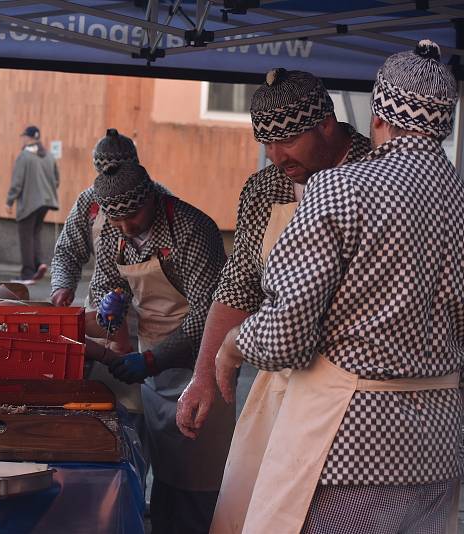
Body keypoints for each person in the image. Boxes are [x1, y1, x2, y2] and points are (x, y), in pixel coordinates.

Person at [212, 40, 462, 533]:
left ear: (379, 119)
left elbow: (286, 335)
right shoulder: (457, 197)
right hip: (440, 442)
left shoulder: (342, 187)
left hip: (352, 444)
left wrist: (233, 343)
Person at [173, 69, 370, 532]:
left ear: (326, 123)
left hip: (355, 395)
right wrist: (203, 376)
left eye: (288, 140)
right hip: (279, 386)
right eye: (267, 142)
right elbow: (238, 288)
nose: (276, 156)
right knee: (253, 515)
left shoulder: (372, 172)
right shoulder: (264, 191)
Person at [87, 161, 233, 533]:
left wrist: (153, 359)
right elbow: (106, 280)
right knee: (166, 473)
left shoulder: (192, 228)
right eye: (116, 220)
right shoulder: (113, 232)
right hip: (152, 367)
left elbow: (207, 315)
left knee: (198, 479)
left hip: (203, 366)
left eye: (132, 216)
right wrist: (111, 301)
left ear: (151, 197)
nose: (125, 227)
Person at [50, 128, 169, 307]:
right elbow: (68, 251)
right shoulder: (88, 202)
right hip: (105, 303)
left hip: (158, 309)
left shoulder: (160, 199)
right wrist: (62, 285)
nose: (126, 228)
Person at [6, 125, 59, 282]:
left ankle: (28, 273)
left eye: (23, 136)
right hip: (46, 202)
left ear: (28, 138)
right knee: (35, 233)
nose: (22, 139)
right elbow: (56, 180)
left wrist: (9, 202)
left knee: (26, 236)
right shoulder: (49, 156)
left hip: (29, 203)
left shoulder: (24, 157)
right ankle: (39, 264)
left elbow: (17, 182)